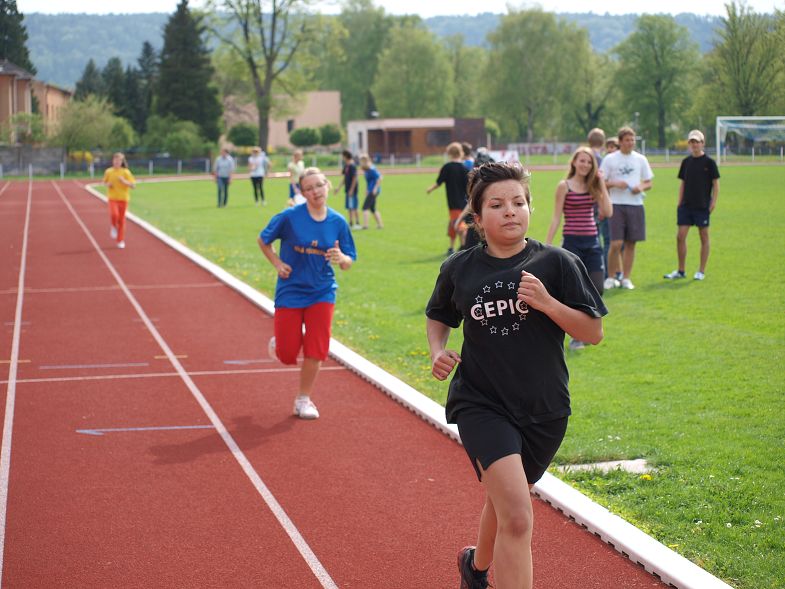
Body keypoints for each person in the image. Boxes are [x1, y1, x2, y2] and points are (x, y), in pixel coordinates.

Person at [425, 161, 607, 589]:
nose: (510, 211)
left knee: (506, 500)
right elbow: (439, 315)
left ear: (529, 207)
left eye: (518, 202)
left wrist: (548, 304)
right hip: (482, 403)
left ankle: (475, 568)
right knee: (519, 517)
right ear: (477, 217)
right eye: (497, 204)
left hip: (545, 408)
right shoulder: (459, 268)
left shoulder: (558, 263)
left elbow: (593, 333)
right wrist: (437, 351)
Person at [258, 167, 357, 420]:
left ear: (328, 186)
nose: (315, 191)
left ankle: (303, 399)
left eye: (319, 185)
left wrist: (342, 258)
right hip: (291, 289)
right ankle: (281, 342)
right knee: (287, 353)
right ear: (302, 193)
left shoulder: (338, 222)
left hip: (322, 290)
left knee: (316, 348)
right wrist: (277, 263)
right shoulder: (290, 217)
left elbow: (348, 261)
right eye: (309, 188)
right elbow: (263, 240)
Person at [545, 147, 612, 350]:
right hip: (572, 243)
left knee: (598, 287)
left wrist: (601, 183)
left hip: (592, 242)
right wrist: (547, 245)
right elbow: (556, 217)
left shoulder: (593, 186)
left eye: (589, 162)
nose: (585, 165)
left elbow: (608, 212)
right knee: (576, 291)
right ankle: (577, 336)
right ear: (574, 162)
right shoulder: (564, 186)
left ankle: (585, 329)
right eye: (582, 160)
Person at [599, 126, 654, 290]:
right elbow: (600, 182)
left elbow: (649, 182)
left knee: (631, 243)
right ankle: (610, 277)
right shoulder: (610, 159)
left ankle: (626, 278)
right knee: (616, 243)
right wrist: (615, 183)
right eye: (627, 140)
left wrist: (641, 187)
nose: (630, 143)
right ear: (620, 141)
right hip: (616, 204)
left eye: (632, 140)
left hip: (635, 205)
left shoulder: (640, 159)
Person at [663, 130, 720, 281]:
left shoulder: (709, 162)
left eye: (697, 142)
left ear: (702, 143)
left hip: (702, 206)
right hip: (686, 206)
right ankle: (681, 270)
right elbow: (683, 183)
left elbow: (716, 184)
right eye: (692, 142)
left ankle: (701, 271)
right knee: (680, 236)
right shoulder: (686, 162)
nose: (694, 145)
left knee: (704, 237)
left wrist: (713, 202)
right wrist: (679, 202)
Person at [426, 141, 469, 255]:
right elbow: (469, 187)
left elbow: (438, 183)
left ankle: (463, 248)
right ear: (460, 153)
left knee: (457, 225)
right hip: (464, 202)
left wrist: (430, 189)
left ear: (449, 153)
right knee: (454, 224)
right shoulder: (465, 169)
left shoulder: (447, 167)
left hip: (453, 202)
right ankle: (456, 248)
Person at [587, 128, 611, 278]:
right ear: (603, 142)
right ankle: (606, 273)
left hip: (584, 207)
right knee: (603, 241)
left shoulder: (584, 157)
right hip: (598, 205)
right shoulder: (602, 161)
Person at [103, 152, 136, 249]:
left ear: (122, 162)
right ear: (112, 161)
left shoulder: (126, 172)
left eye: (119, 160)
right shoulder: (109, 171)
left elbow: (133, 186)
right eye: (115, 160)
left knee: (121, 221)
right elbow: (104, 182)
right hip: (112, 198)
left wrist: (124, 181)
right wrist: (108, 185)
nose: (116, 162)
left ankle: (120, 240)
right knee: (114, 214)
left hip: (123, 199)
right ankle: (113, 226)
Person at [335, 150, 361, 229]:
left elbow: (355, 178)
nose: (342, 158)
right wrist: (338, 188)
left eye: (343, 156)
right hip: (347, 190)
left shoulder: (352, 166)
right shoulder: (346, 165)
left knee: (354, 206)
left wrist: (352, 189)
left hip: (352, 190)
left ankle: (357, 223)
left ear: (346, 156)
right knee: (349, 207)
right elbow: (345, 178)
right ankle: (351, 222)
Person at [359, 154, 383, 229]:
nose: (361, 162)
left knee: (365, 207)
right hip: (370, 190)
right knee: (372, 209)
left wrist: (375, 189)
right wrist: (367, 189)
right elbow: (369, 181)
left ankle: (365, 225)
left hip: (373, 191)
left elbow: (380, 178)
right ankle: (380, 225)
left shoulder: (372, 169)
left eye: (362, 160)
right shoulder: (366, 169)